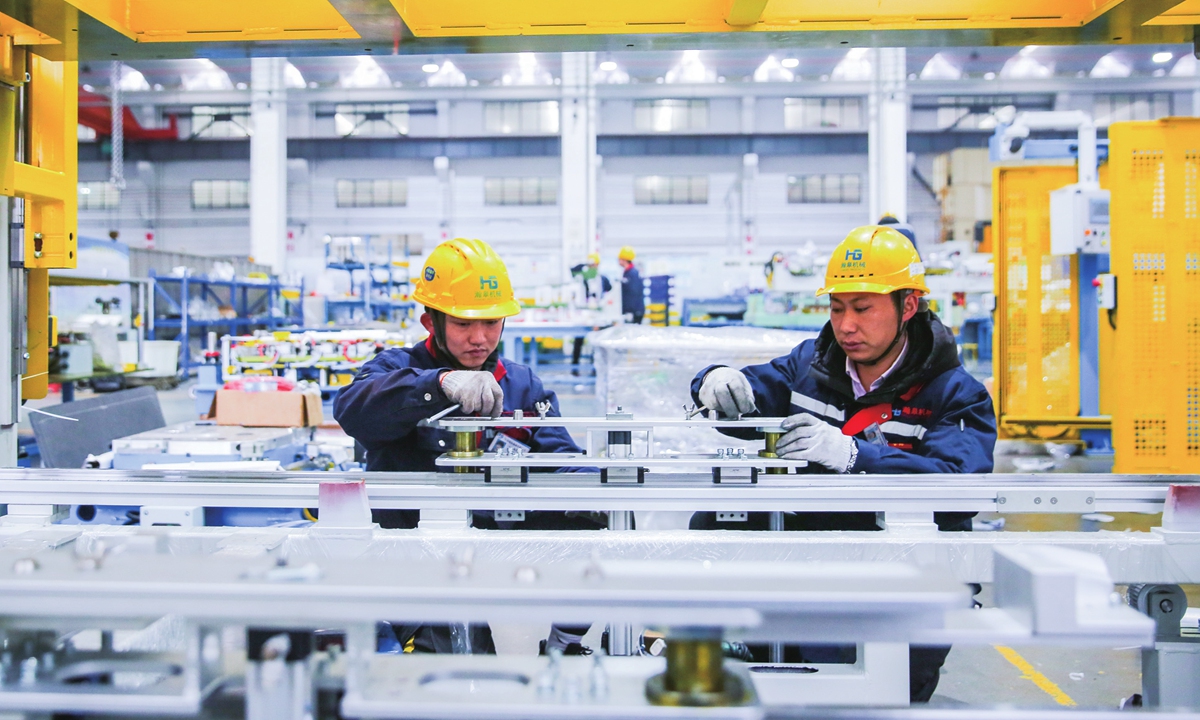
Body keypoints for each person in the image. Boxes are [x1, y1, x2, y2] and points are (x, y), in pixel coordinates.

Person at [690, 225, 996, 703]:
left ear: (908, 306)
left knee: (868, 697)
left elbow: (958, 491)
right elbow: (749, 399)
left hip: (903, 578)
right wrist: (714, 381)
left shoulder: (955, 394)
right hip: (808, 560)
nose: (846, 325)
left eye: (862, 308)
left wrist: (855, 456)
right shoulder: (809, 366)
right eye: (837, 308)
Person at [334, 237, 598, 655]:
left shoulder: (522, 384)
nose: (479, 338)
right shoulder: (394, 370)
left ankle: (566, 642)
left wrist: (591, 481)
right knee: (460, 662)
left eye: (492, 322)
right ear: (430, 323)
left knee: (593, 510)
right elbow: (351, 408)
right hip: (419, 553)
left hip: (498, 536)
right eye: (462, 324)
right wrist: (437, 385)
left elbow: (558, 455)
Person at [569, 252, 611, 372]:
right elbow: (572, 270)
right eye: (591, 265)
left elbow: (610, 295)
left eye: (595, 265)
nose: (593, 267)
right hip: (583, 315)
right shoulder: (582, 277)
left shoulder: (603, 279)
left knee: (596, 343)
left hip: (598, 316)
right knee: (578, 340)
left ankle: (595, 369)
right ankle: (575, 368)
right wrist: (585, 265)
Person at [617, 245, 645, 324]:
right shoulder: (628, 272)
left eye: (619, 259)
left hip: (634, 312)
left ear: (624, 259)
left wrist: (630, 312)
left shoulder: (632, 273)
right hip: (632, 311)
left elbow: (633, 293)